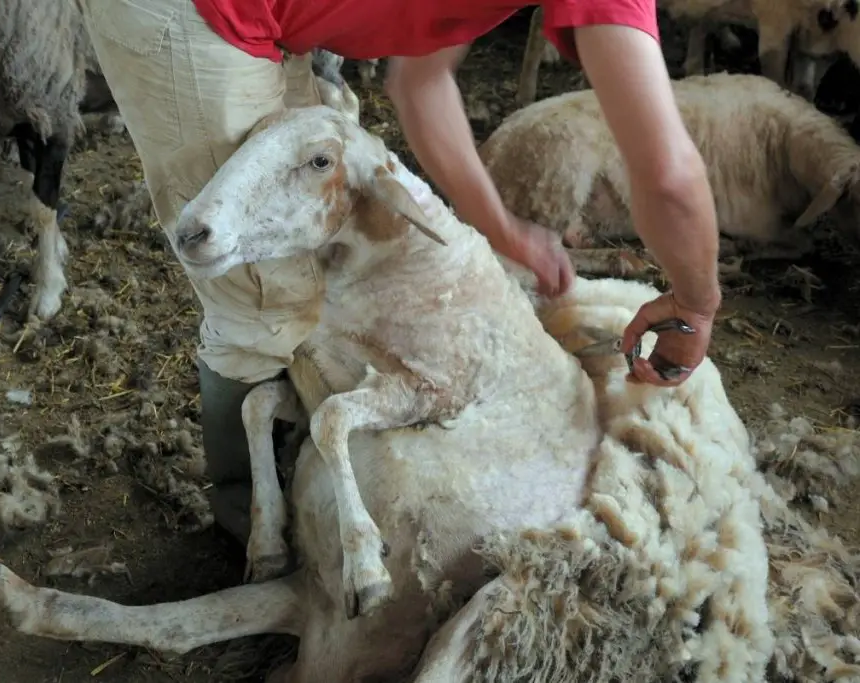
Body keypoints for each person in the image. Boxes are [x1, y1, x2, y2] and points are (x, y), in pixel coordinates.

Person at [78, 0, 722, 542]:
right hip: (198, 12)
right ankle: (244, 514)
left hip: (261, 16)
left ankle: (301, 467)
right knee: (265, 287)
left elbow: (421, 82)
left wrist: (501, 229)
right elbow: (668, 174)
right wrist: (695, 306)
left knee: (313, 225)